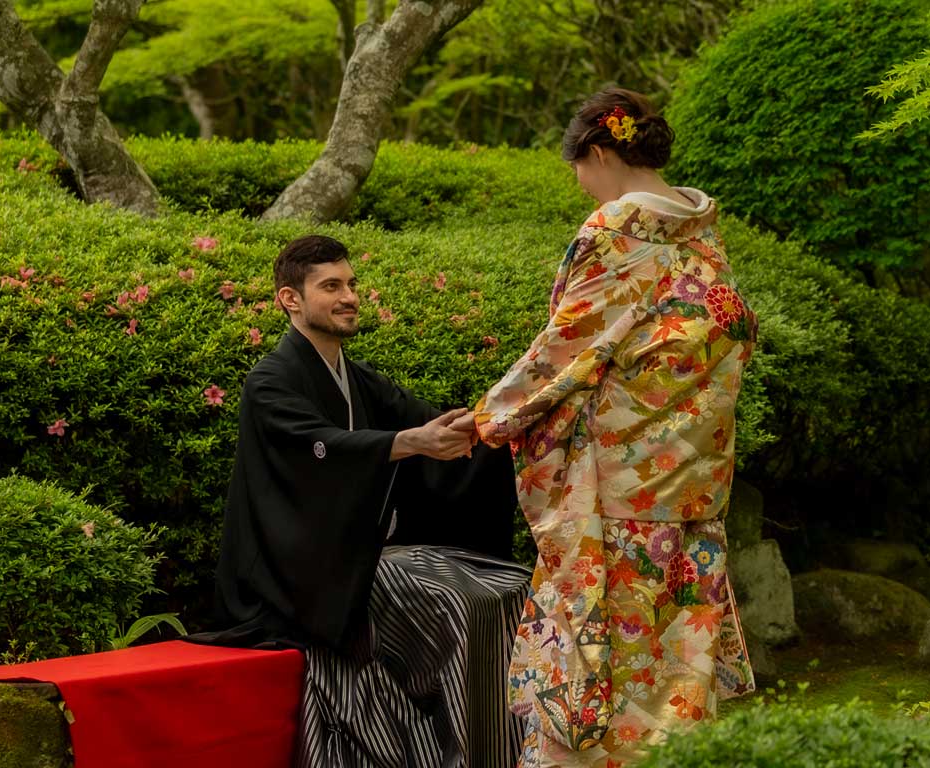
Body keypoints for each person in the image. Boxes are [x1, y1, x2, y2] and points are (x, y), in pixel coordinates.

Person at [472, 88, 758, 766]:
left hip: (619, 484)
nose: (580, 185)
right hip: (693, 474)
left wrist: (490, 418)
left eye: (579, 167)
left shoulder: (614, 231)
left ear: (598, 153)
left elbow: (565, 349)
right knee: (677, 650)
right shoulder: (704, 232)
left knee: (604, 645)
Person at [192, 234, 532, 768]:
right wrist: (409, 443)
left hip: (362, 561)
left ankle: (498, 754)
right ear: (291, 300)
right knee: (457, 605)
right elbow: (319, 447)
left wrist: (494, 428)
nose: (350, 296)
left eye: (351, 284)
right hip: (298, 580)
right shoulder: (270, 383)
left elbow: (424, 420)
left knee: (505, 592)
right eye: (331, 286)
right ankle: (453, 753)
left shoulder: (360, 378)